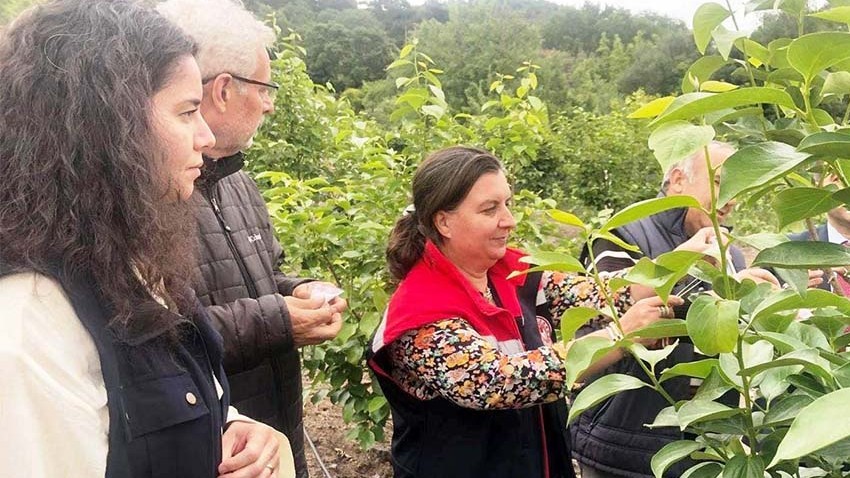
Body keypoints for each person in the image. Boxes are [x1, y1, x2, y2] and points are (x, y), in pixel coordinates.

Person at [0, 0, 287, 477]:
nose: (203, 136)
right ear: (108, 129)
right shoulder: (32, 322)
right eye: (186, 112)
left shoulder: (124, 259)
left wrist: (229, 426)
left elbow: (150, 415)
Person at [367, 146, 684, 478]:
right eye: (490, 209)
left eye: (507, 204)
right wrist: (618, 337)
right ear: (443, 221)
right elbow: (498, 381)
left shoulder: (513, 273)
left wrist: (676, 265)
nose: (509, 220)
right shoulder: (421, 311)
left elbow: (593, 292)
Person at [156, 1, 348, 475]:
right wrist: (277, 319)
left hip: (273, 433)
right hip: (221, 446)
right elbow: (159, 331)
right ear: (223, 89)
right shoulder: (155, 194)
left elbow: (266, 274)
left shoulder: (238, 180)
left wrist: (298, 291)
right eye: (265, 88)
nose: (270, 102)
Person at [571, 142, 782, 478]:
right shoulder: (622, 233)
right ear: (679, 180)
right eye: (719, 182)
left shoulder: (731, 254)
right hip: (624, 445)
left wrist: (756, 304)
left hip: (704, 448)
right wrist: (685, 268)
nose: (731, 197)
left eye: (738, 187)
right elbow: (604, 310)